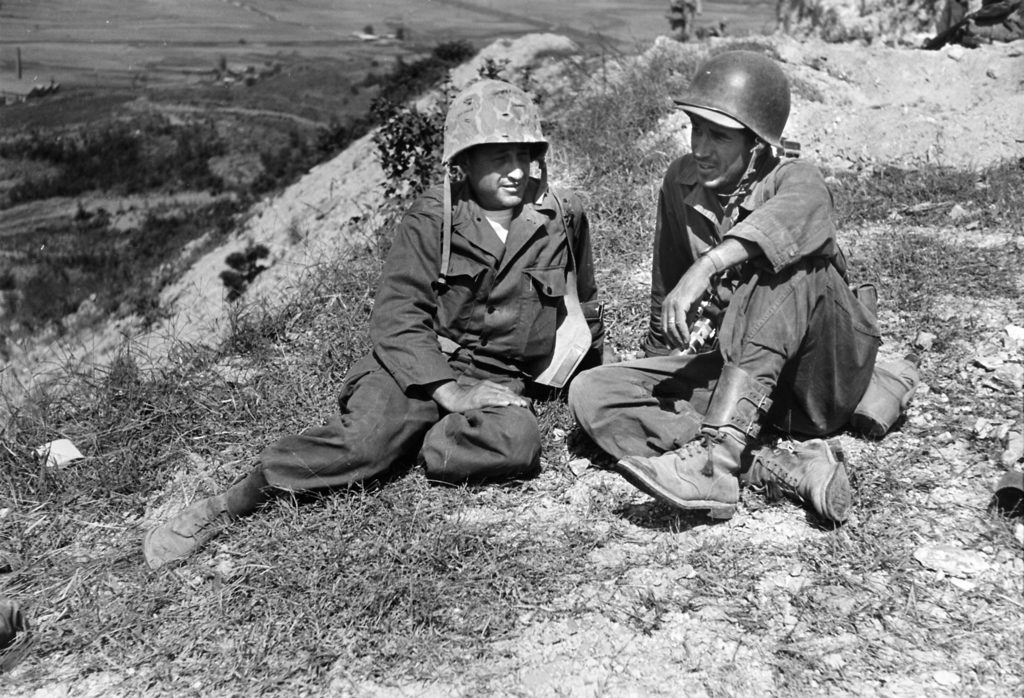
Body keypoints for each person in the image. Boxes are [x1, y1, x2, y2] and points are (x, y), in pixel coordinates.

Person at [144, 79, 605, 569]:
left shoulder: (562, 215)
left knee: (516, 444)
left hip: (496, 377)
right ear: (463, 165)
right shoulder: (435, 218)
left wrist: (598, 376)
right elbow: (398, 317)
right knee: (363, 443)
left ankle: (413, 444)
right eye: (497, 158)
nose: (515, 172)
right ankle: (233, 501)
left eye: (524, 155)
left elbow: (585, 304)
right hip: (417, 367)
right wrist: (449, 394)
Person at [569, 50, 885, 523]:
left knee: (784, 264)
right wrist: (656, 360)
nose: (700, 146)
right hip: (744, 379)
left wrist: (710, 265)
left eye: (718, 134)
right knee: (594, 391)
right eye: (696, 128)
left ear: (757, 144)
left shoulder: (796, 177)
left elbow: (794, 220)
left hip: (819, 381)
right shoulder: (681, 181)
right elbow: (668, 285)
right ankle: (770, 467)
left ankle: (716, 460)